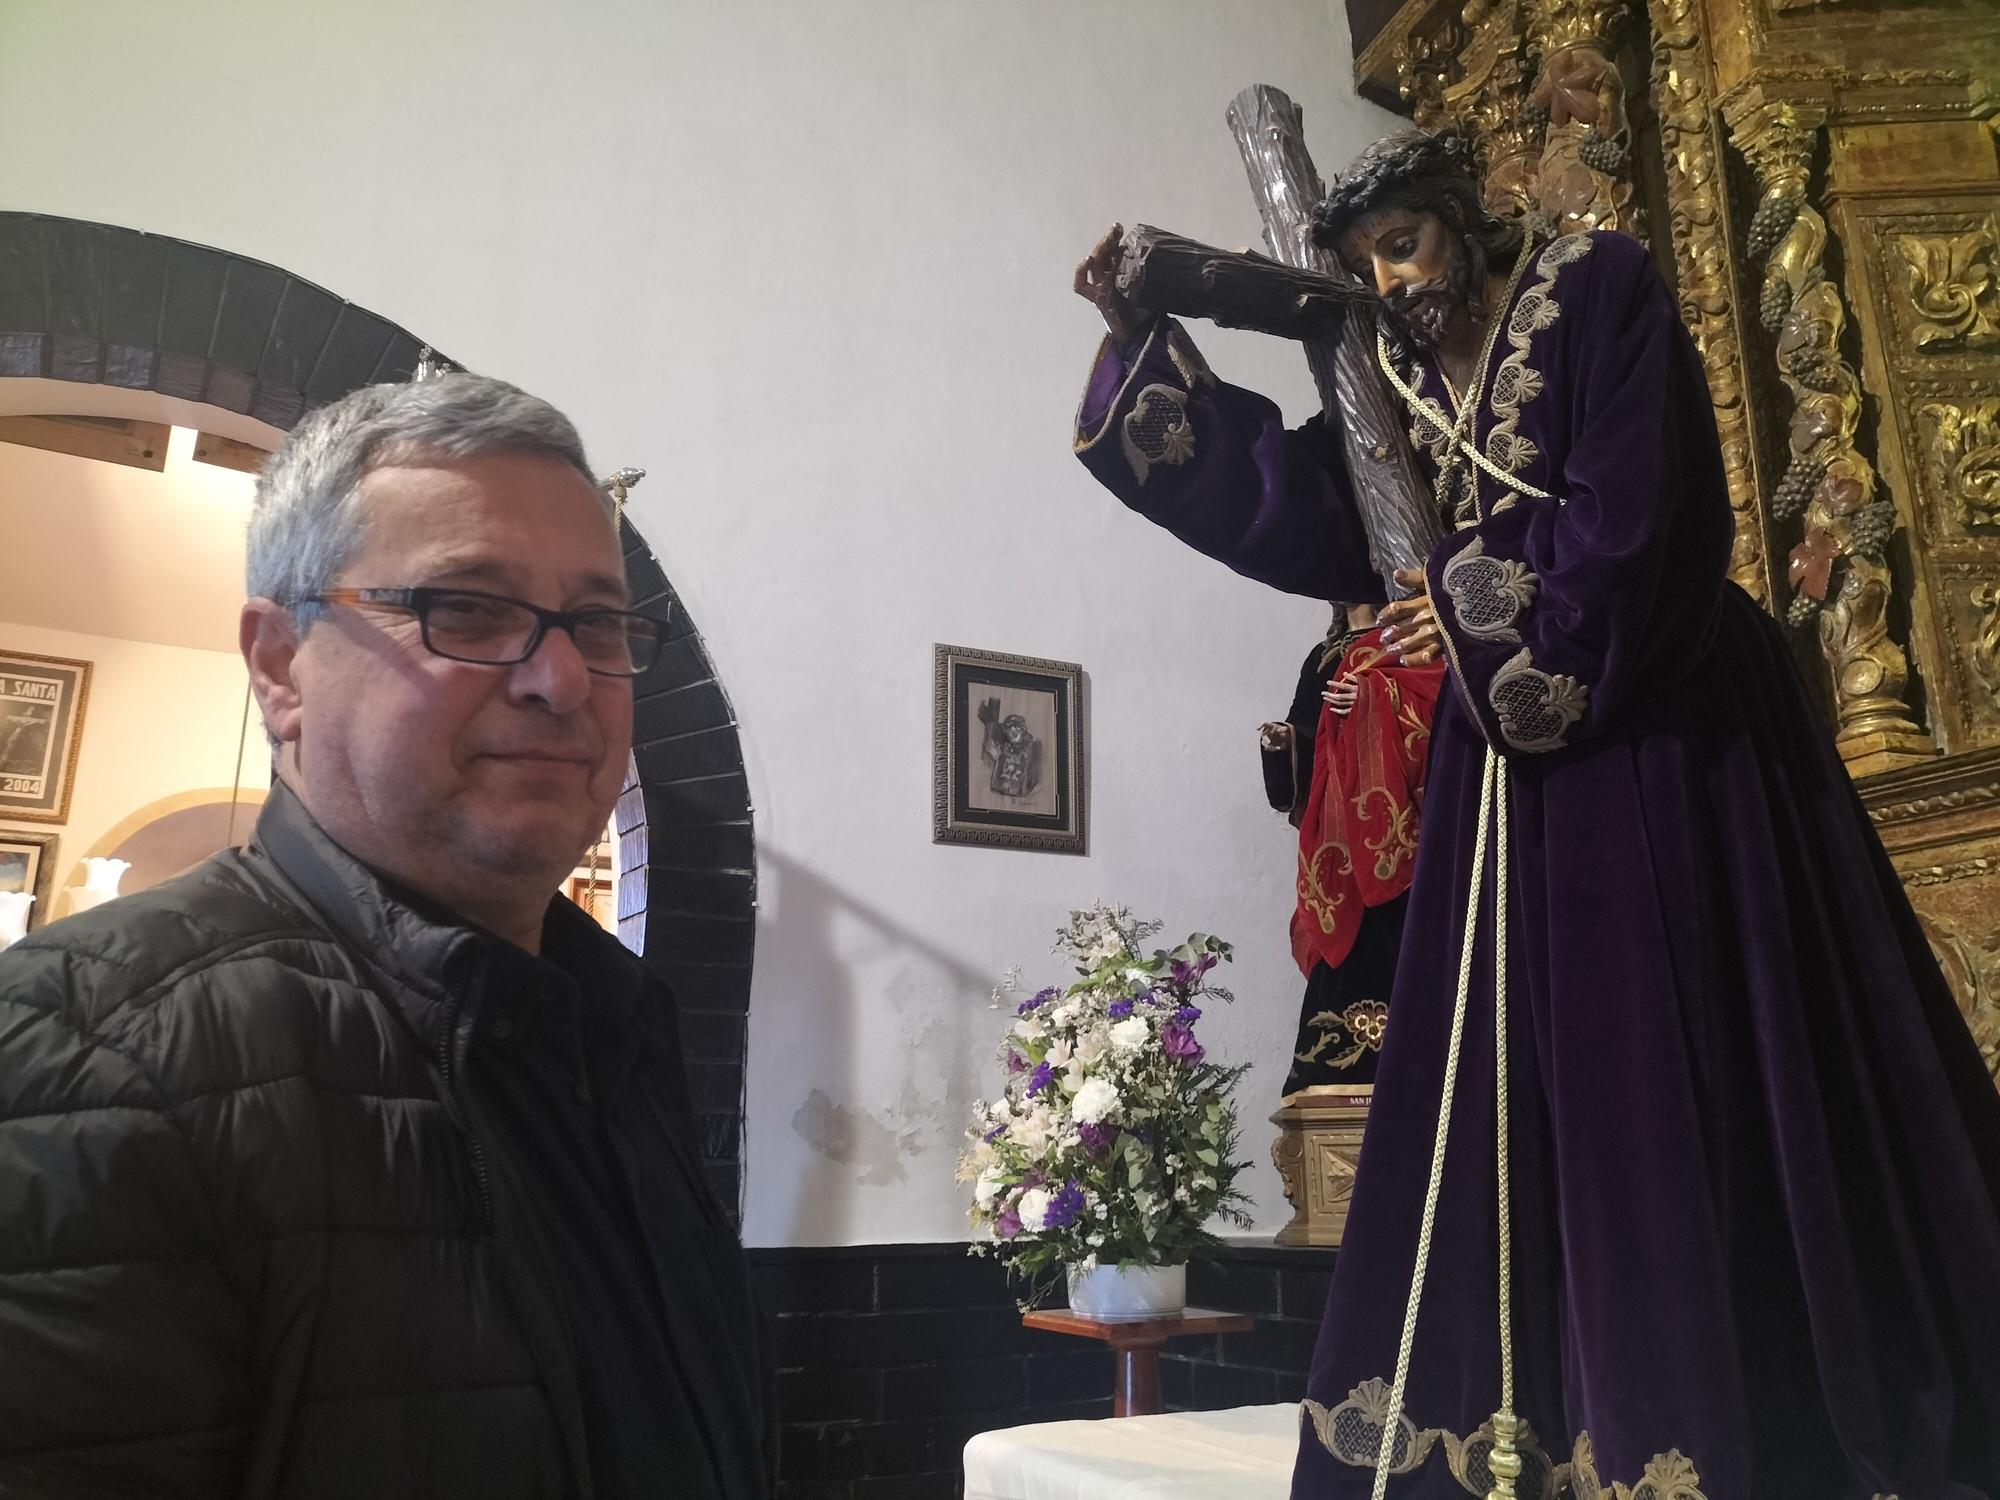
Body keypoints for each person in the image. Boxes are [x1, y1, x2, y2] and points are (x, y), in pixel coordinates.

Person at [1074, 128, 2000, 1498]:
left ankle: (1723, 1417)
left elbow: (1640, 524)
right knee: (1516, 1104)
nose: (1388, 283)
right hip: (1505, 783)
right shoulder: (1386, 370)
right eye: (1362, 264)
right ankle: (1545, 1425)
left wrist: (1470, 626)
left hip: (1664, 732)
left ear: (1464, 217)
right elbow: (1316, 506)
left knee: (1682, 1068)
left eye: (1403, 244)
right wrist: (1142, 344)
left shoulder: (1598, 290)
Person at [0, 374, 769, 1499]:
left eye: (596, 624)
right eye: (465, 608)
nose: (561, 679)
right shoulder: (85, 1058)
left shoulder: (617, 1027)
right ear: (279, 666)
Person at [1260, 605, 1444, 1096]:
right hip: (1336, 831)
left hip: (1401, 828)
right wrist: (1283, 746)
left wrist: (1372, 699)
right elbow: (1307, 730)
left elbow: (1439, 706)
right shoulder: (1322, 657)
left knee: (1407, 937)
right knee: (1345, 951)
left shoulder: (1414, 635)